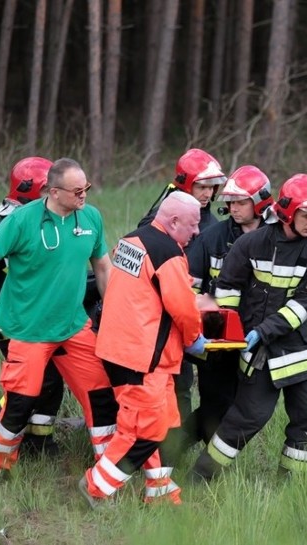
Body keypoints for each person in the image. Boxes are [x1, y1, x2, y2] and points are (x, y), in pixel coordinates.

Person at [0, 158, 118, 472]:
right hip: (28, 329)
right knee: (20, 404)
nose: (84, 196)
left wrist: (116, 312)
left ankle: (109, 468)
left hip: (73, 326)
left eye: (87, 188)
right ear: (53, 192)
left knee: (100, 394)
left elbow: (103, 267)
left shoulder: (90, 218)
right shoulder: (23, 220)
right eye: (77, 191)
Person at [188, 173, 307, 481]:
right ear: (287, 213)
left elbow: (302, 306)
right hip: (259, 355)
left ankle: (291, 484)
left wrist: (262, 331)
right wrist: (228, 330)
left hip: (302, 354)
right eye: (306, 215)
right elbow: (227, 287)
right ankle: (200, 476)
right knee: (244, 420)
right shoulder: (250, 244)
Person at [80, 191, 207, 507]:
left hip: (128, 350)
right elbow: (183, 310)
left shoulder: (132, 240)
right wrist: (195, 338)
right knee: (143, 433)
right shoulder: (168, 253)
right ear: (174, 221)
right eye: (192, 225)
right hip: (140, 358)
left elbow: (141, 289)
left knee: (166, 424)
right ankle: (95, 486)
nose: (196, 232)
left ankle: (160, 491)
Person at [0, 157, 67, 455]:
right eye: (51, 189)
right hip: (12, 323)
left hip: (33, 318)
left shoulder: (42, 220)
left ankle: (39, 441)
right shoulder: (10, 224)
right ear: (32, 191)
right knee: (26, 385)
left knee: (49, 382)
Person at [177, 165, 273, 452]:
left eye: (241, 202)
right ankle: (198, 463)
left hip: (259, 336)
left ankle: (170, 451)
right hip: (217, 340)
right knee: (215, 404)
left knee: (242, 405)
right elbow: (189, 285)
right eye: (230, 202)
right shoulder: (212, 238)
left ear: (261, 201)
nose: (233, 208)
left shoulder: (276, 240)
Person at [138, 148, 226, 430]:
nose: (206, 193)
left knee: (183, 382)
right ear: (185, 183)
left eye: (211, 187)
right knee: (165, 379)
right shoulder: (160, 217)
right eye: (201, 186)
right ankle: (157, 441)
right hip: (159, 314)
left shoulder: (212, 224)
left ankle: (175, 443)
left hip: (190, 310)